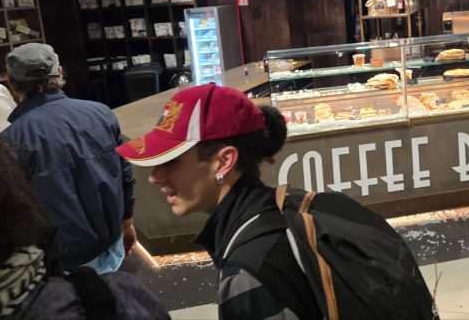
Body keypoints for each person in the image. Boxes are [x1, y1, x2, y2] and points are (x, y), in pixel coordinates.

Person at [116, 83, 323, 320]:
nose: (154, 177)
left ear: (224, 162)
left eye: (172, 161)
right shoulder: (277, 208)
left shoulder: (248, 272)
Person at [0, 43, 137, 274]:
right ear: (60, 72)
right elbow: (125, 176)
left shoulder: (11, 140)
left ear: (11, 82)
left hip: (64, 261)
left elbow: (17, 212)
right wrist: (127, 223)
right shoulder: (101, 113)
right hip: (112, 243)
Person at [0, 142, 170, 319]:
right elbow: (124, 174)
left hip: (71, 253)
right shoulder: (126, 298)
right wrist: (126, 224)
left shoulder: (17, 137)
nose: (154, 177)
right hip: (104, 249)